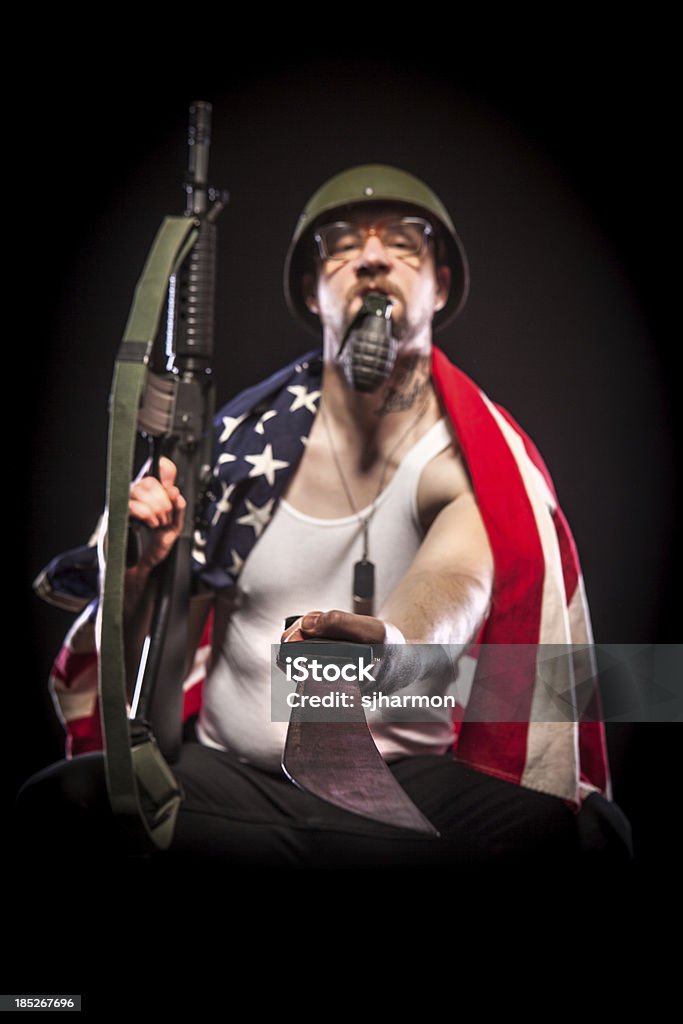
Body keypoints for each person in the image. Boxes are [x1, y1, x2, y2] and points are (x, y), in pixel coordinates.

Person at [19, 164, 633, 876]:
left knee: (591, 834)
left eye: (403, 243)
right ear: (313, 293)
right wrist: (132, 575)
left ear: (440, 284)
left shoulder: (466, 460)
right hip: (234, 784)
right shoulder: (234, 454)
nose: (371, 256)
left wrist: (389, 643)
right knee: (60, 800)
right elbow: (129, 678)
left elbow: (457, 578)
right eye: (341, 246)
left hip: (400, 794)